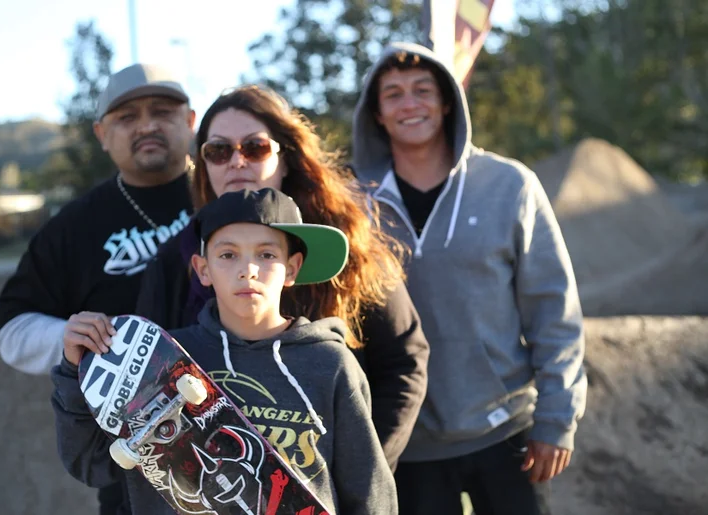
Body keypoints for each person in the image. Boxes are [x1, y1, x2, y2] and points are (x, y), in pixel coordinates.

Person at [135, 84, 430, 471]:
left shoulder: (346, 244)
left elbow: (403, 364)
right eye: (218, 151)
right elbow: (146, 381)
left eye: (254, 148)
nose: (236, 162)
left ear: (286, 158)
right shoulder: (177, 260)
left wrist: (352, 475)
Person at [51, 187, 399, 515]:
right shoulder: (158, 362)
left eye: (266, 254)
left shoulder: (329, 364)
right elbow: (92, 464)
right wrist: (72, 368)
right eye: (228, 255)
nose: (247, 270)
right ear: (204, 269)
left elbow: (367, 487)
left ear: (291, 268)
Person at [351, 42, 588, 515]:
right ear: (376, 113)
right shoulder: (354, 206)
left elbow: (553, 309)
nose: (410, 103)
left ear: (446, 101)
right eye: (393, 94)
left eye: (423, 90)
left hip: (504, 431)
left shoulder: (509, 185)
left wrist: (557, 418)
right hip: (405, 444)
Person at [0, 63, 197, 515]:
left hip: (249, 450)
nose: (146, 124)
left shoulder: (225, 195)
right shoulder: (73, 227)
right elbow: (11, 326)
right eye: (126, 117)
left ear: (190, 121)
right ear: (102, 133)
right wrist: (73, 341)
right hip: (135, 477)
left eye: (162, 111)